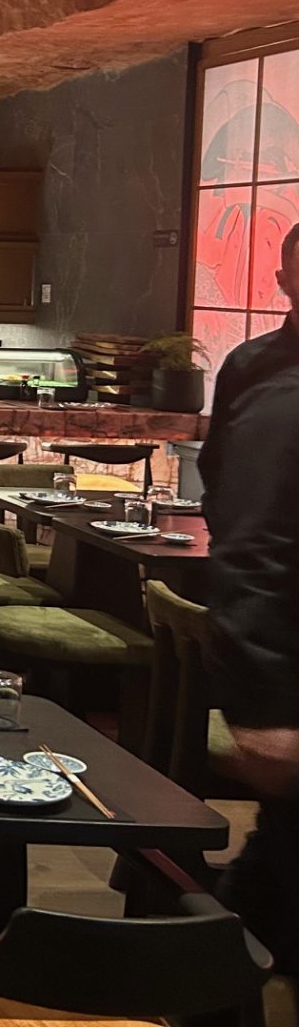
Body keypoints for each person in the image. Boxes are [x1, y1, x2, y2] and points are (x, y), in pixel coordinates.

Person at [208, 220, 299, 970]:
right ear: (285, 281)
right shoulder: (268, 382)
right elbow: (247, 539)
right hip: (282, 668)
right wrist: (264, 705)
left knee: (276, 870)